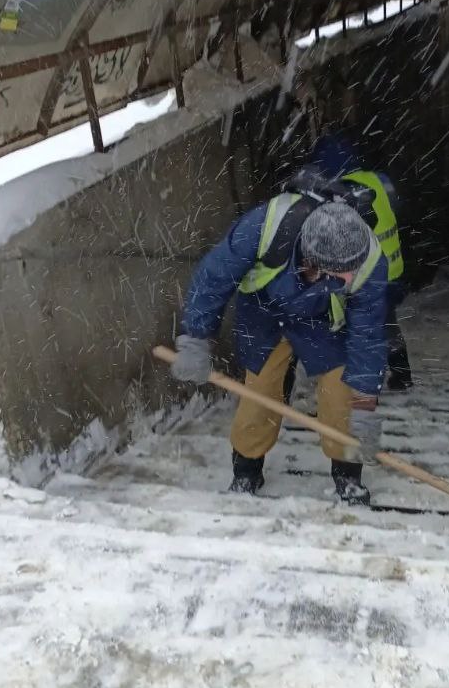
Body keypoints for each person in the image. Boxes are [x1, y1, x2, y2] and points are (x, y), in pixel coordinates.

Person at [170, 194, 388, 506]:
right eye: (343, 272)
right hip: (264, 311)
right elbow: (214, 276)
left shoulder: (367, 258)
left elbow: (368, 334)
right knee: (260, 392)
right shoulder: (266, 227)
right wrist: (195, 336)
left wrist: (365, 404)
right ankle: (246, 468)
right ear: (315, 261)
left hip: (323, 319)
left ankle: (348, 475)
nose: (353, 277)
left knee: (342, 393)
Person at [307, 133, 413, 391]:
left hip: (368, 271)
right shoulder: (379, 180)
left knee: (362, 328)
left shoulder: (343, 193)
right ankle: (401, 373)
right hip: (394, 267)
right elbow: (398, 208)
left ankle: (361, 385)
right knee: (386, 320)